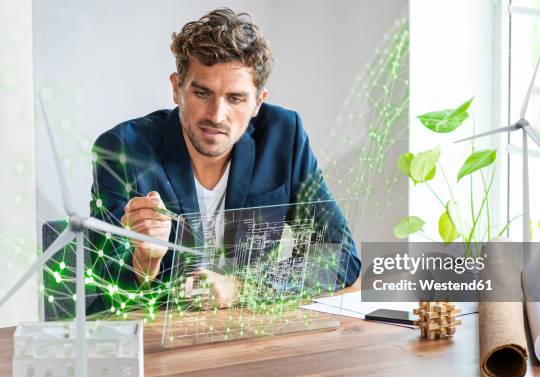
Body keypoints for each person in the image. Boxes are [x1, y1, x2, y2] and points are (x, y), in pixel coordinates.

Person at [90, 8, 360, 310]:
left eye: (235, 98)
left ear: (258, 102)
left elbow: (340, 257)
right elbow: (105, 292)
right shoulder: (122, 149)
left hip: (247, 337)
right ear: (177, 88)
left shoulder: (284, 137)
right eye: (202, 93)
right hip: (160, 340)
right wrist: (145, 259)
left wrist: (242, 288)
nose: (216, 116)